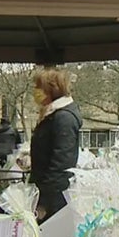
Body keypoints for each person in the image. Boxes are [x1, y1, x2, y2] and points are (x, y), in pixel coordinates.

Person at [28, 69, 82, 223]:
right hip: (46, 193)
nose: (35, 91)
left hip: (54, 200)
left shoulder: (63, 119)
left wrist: (44, 202)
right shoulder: (52, 115)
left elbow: (61, 164)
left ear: (50, 89)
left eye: (38, 87)